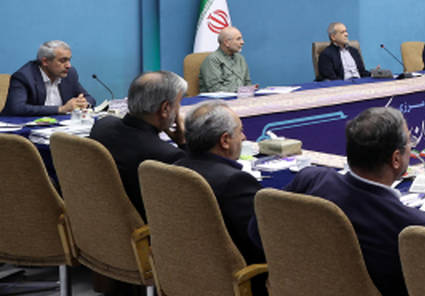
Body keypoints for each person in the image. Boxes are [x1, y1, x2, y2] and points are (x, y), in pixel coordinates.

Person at [250, 107, 425, 296]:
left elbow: (256, 231)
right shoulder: (412, 225)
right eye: (409, 142)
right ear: (396, 159)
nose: (411, 147)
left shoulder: (310, 179)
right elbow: (424, 295)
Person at [89, 71, 187, 217]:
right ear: (165, 108)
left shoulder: (102, 125)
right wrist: (184, 143)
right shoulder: (167, 155)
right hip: (144, 225)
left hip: (99, 216)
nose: (179, 109)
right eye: (178, 104)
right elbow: (193, 194)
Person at [177, 101, 262, 262]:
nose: (243, 137)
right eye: (239, 131)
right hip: (240, 273)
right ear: (225, 141)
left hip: (187, 266)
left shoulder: (176, 169)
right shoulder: (236, 182)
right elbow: (259, 241)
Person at [3, 40, 95, 116]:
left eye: (69, 60)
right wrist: (60, 109)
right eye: (63, 60)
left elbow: (89, 98)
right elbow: (17, 108)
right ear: (45, 61)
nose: (68, 65)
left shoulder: (69, 74)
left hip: (59, 127)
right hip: (23, 128)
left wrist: (82, 103)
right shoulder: (24, 77)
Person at [198, 26, 252, 92]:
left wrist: (250, 90)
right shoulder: (212, 60)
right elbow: (215, 89)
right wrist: (241, 91)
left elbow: (247, 82)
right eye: (238, 39)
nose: (242, 42)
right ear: (227, 43)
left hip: (241, 97)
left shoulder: (240, 58)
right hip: (221, 98)